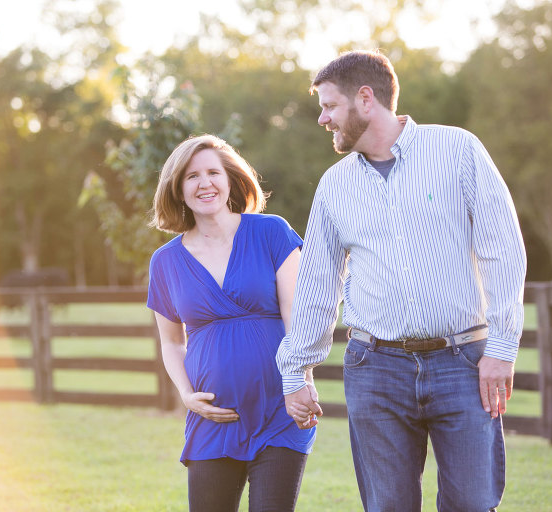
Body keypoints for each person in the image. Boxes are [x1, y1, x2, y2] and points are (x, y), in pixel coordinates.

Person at [276, 50, 527, 511]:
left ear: (365, 99)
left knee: (473, 503)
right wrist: (297, 369)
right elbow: (317, 284)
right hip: (375, 370)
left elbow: (503, 250)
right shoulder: (334, 186)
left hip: (464, 364)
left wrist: (502, 347)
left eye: (330, 105)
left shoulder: (458, 150)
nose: (322, 118)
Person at [147, 134, 316, 512]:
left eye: (212, 172)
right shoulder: (165, 261)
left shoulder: (271, 232)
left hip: (279, 409)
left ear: (230, 180)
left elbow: (297, 315)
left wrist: (300, 381)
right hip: (213, 418)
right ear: (177, 189)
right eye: (191, 176)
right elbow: (172, 342)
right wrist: (188, 396)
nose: (204, 183)